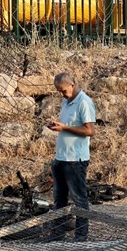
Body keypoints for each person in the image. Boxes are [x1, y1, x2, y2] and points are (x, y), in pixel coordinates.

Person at [45, 73, 96, 241]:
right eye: (59, 91)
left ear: (72, 85)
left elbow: (89, 131)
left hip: (75, 160)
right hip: (61, 158)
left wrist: (65, 128)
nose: (62, 94)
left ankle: (81, 238)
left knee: (80, 201)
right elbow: (68, 127)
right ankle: (57, 236)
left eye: (64, 91)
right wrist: (58, 126)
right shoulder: (66, 101)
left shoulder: (84, 102)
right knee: (59, 201)